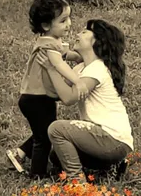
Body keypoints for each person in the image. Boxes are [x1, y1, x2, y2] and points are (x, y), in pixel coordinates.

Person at [37, 19, 134, 182]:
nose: (77, 34)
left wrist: (51, 68)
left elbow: (68, 98)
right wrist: (56, 58)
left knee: (57, 129)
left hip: (112, 139)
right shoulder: (81, 68)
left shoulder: (97, 69)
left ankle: (77, 181)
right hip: (102, 139)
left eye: (84, 32)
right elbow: (56, 93)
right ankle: (112, 167)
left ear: (97, 41)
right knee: (57, 155)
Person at [6, 0, 86, 179]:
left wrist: (80, 57)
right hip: (37, 99)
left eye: (69, 18)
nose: (69, 24)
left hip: (39, 98)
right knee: (44, 138)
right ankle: (38, 174)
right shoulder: (48, 46)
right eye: (63, 20)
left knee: (45, 131)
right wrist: (77, 80)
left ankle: (19, 153)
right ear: (46, 26)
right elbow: (60, 65)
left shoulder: (51, 41)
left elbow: (67, 54)